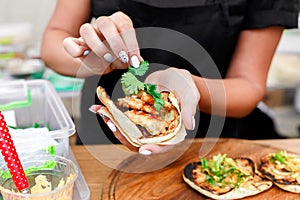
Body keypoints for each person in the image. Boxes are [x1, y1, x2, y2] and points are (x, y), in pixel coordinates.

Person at [41, 0, 299, 155]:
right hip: (103, 140)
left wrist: (191, 86)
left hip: (209, 142)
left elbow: (249, 85)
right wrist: (93, 60)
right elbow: (53, 42)